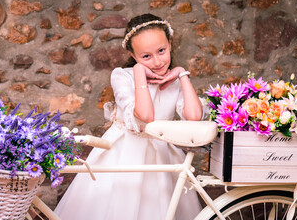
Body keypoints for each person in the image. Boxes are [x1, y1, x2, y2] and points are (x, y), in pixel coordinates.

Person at [54, 13, 206, 220]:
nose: (157, 61)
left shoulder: (176, 80)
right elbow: (145, 116)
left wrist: (181, 74)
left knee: (161, 208)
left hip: (162, 154)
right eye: (145, 56)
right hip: (123, 151)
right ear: (133, 56)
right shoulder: (121, 75)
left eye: (162, 51)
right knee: (119, 207)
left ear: (170, 44)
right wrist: (138, 72)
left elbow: (195, 116)